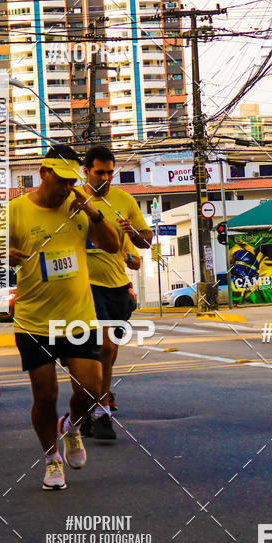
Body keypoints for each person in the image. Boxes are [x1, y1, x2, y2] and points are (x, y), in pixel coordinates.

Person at [8, 144, 120, 491]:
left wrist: (94, 213)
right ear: (43, 173)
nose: (66, 188)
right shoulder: (16, 212)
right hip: (34, 320)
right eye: (60, 181)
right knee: (44, 395)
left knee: (90, 388)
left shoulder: (79, 207)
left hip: (77, 317)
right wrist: (5, 256)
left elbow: (113, 245)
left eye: (72, 182)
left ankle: (71, 426)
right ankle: (52, 459)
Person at [78, 145, 152, 440]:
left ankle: (90, 404)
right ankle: (101, 411)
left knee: (108, 352)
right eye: (100, 172)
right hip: (84, 284)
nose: (106, 177)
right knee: (104, 348)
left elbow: (145, 242)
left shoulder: (125, 200)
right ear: (86, 172)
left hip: (118, 285)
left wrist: (134, 233)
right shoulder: (75, 200)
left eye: (111, 172)